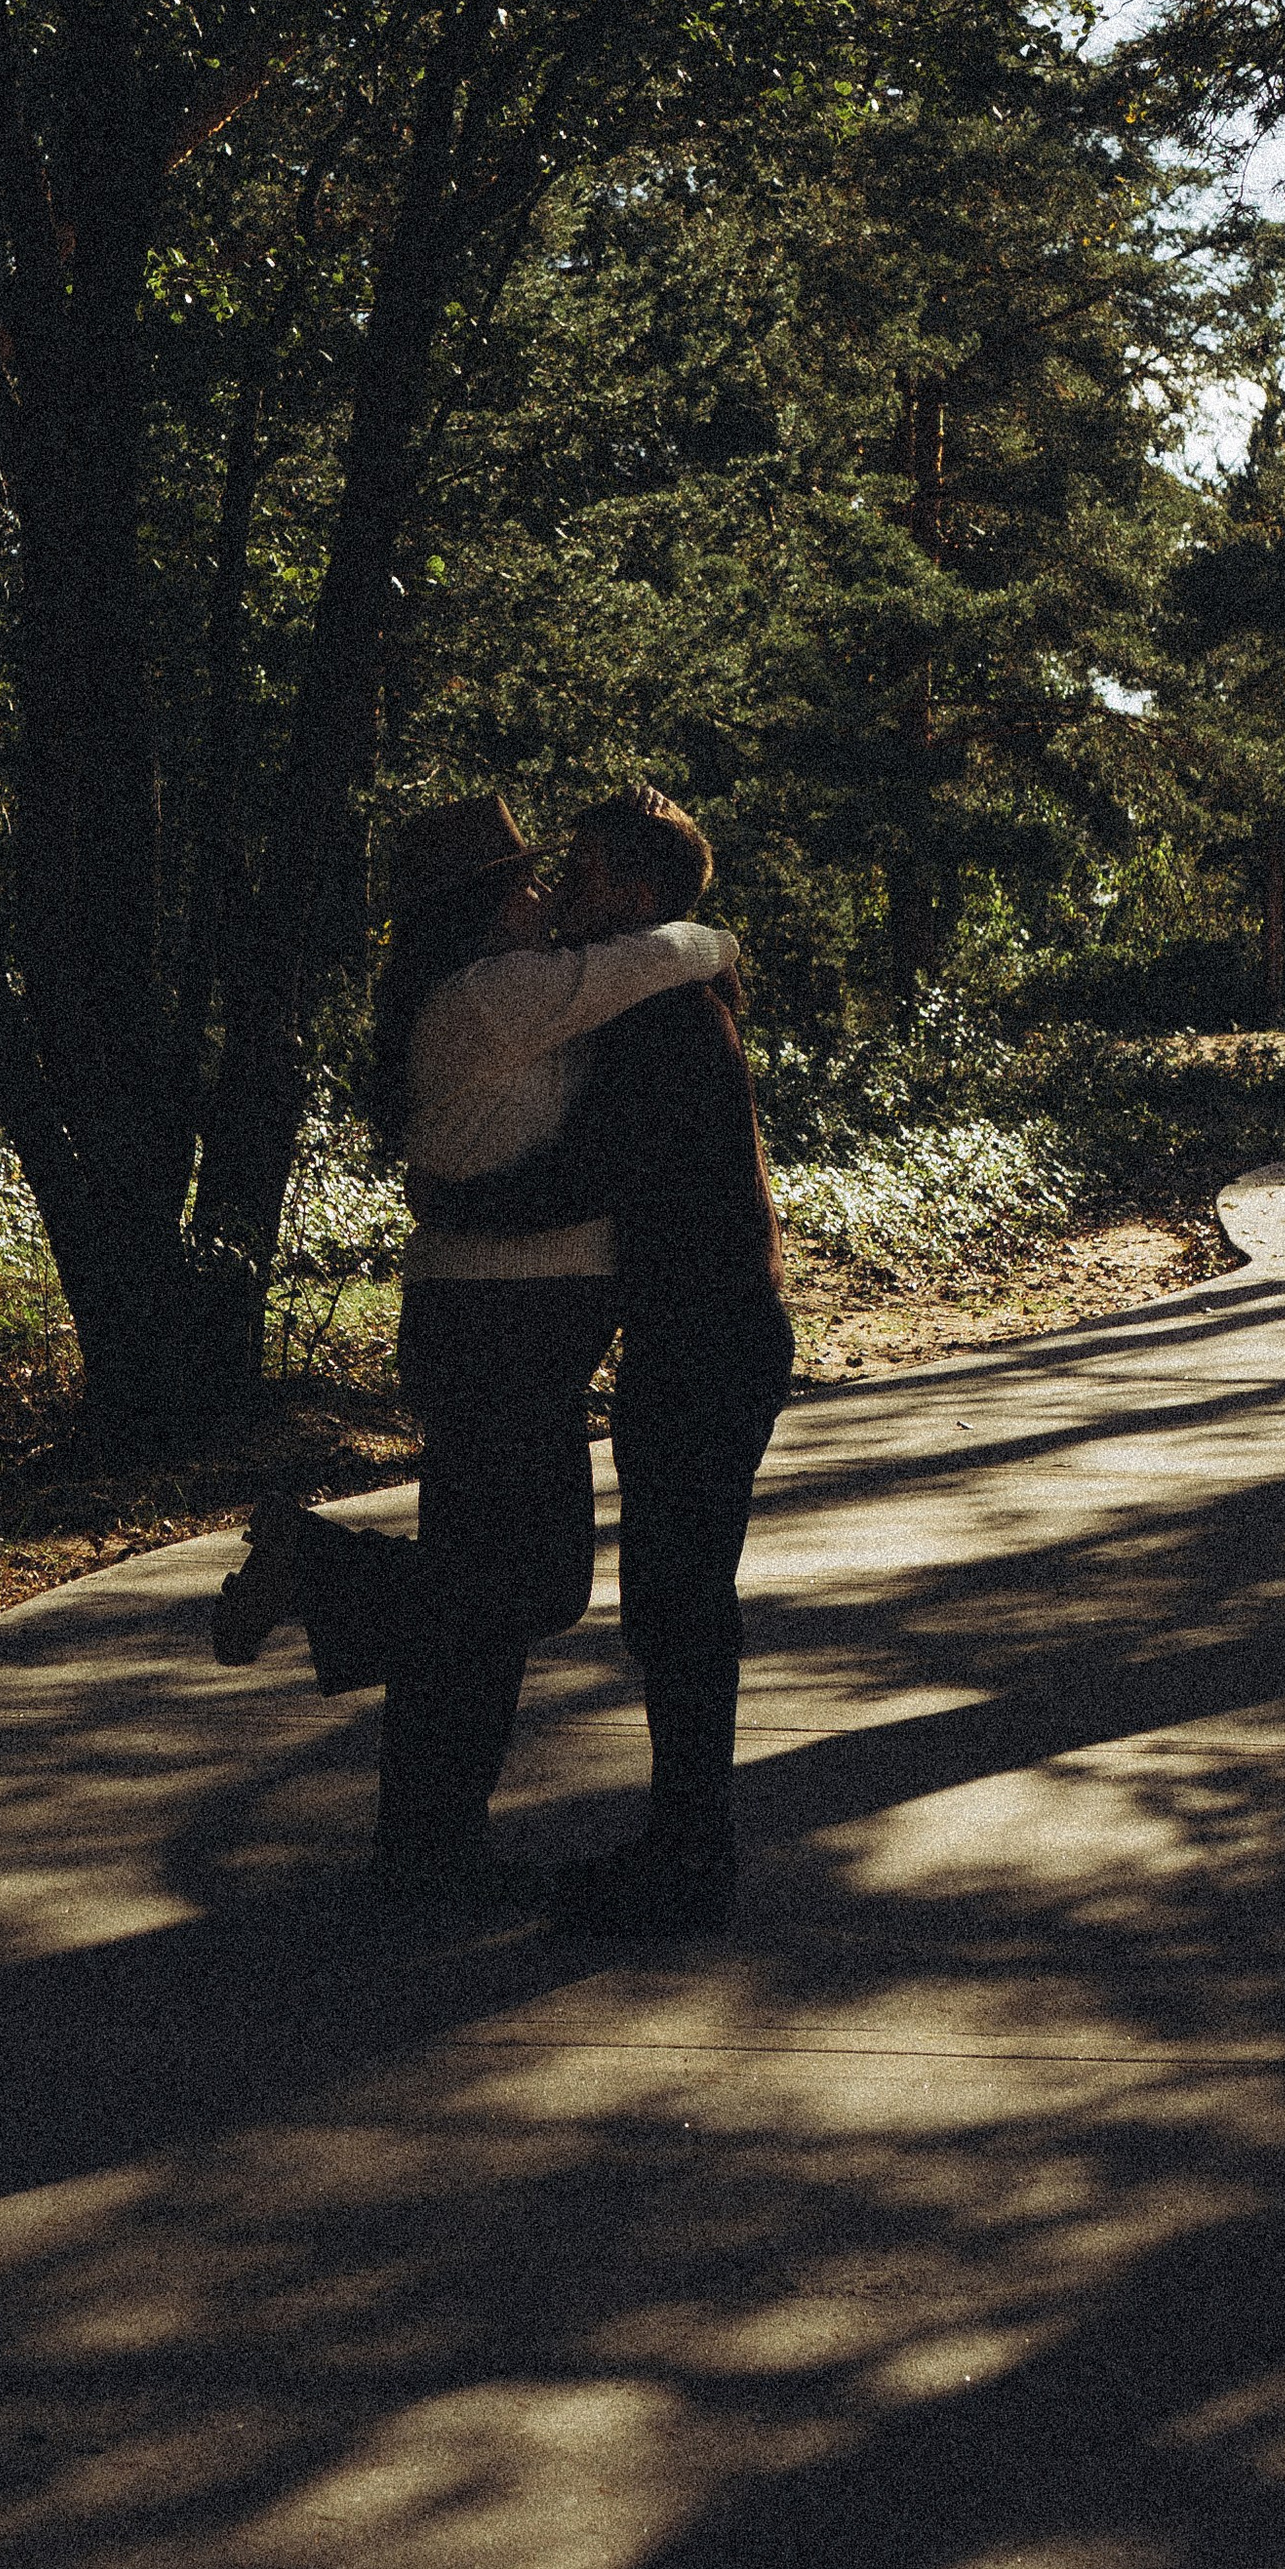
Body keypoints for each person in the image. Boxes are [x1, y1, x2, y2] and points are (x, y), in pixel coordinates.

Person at [207, 792, 739, 1910]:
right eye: (529, 884)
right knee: (526, 1588)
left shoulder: (475, 998)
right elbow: (675, 949)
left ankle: (430, 1846)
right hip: (501, 1324)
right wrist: (715, 942)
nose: (547, 900)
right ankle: (319, 1577)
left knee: (478, 1591)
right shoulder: (497, 995)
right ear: (486, 907)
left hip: (491, 1322)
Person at [414, 787, 793, 1938]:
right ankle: (683, 1845)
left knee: (679, 1606)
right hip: (700, 1330)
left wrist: (452, 1204)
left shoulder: (665, 1019)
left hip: (709, 1335)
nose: (564, 894)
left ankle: (689, 1857)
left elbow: (591, 1175)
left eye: (579, 874)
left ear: (630, 893)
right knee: (675, 1602)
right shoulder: (669, 997)